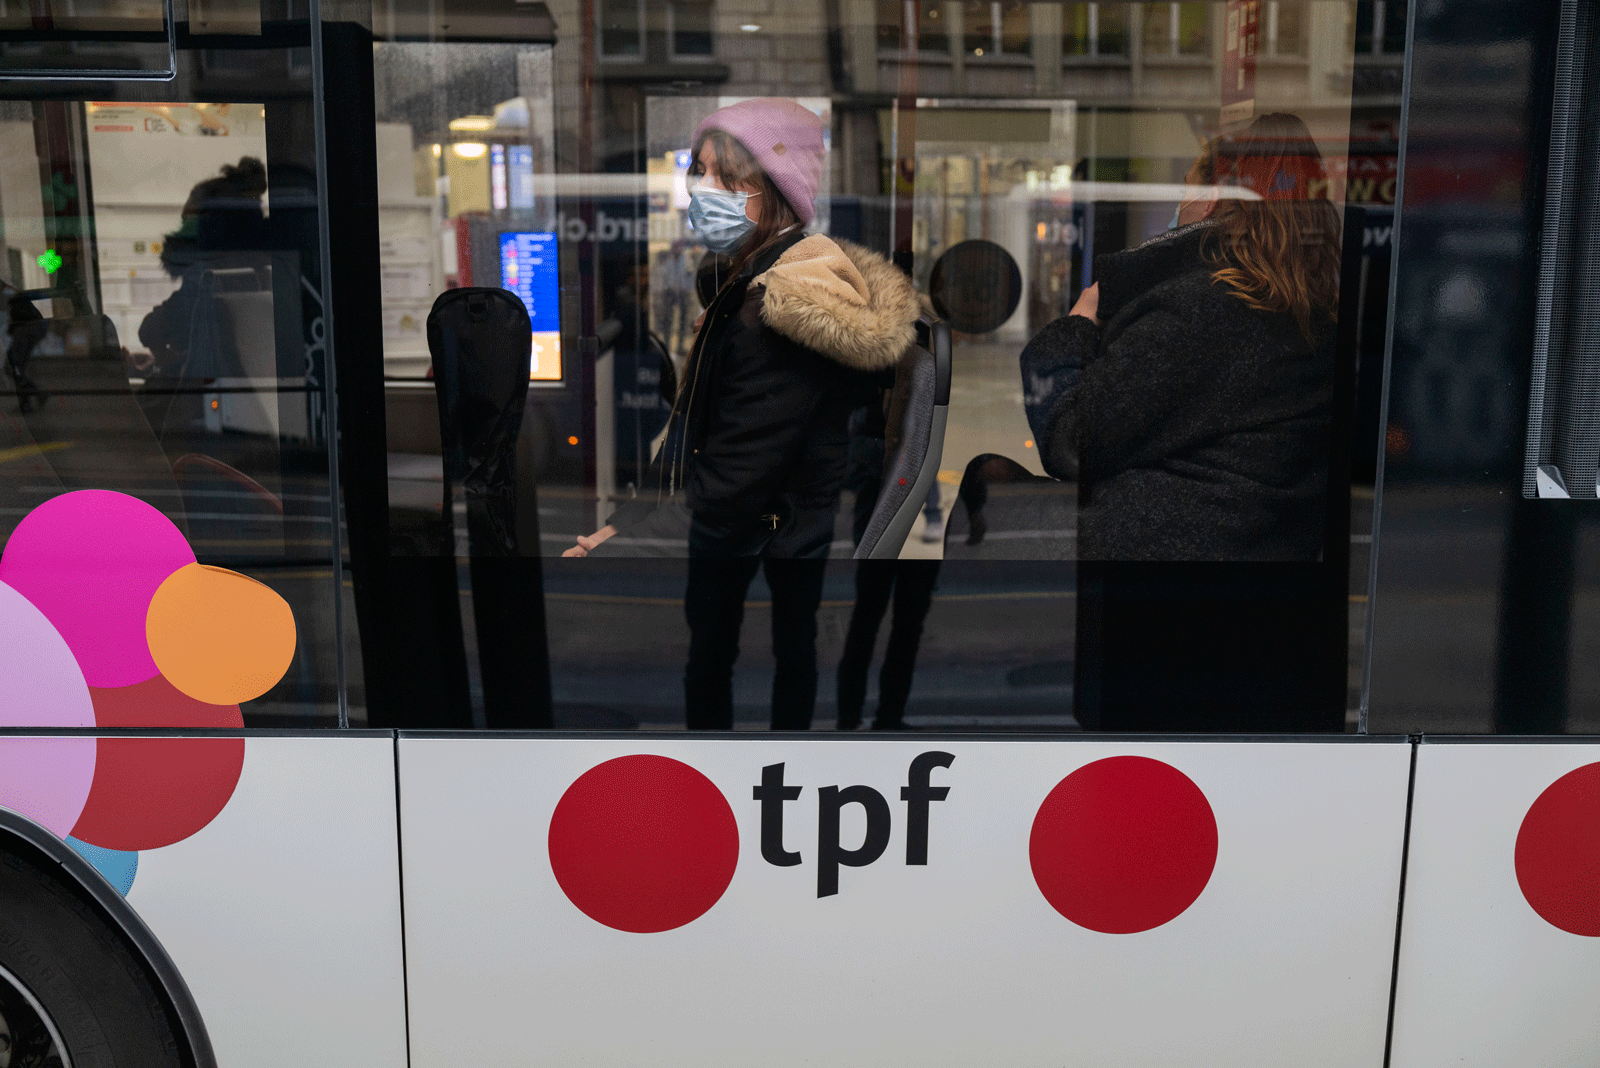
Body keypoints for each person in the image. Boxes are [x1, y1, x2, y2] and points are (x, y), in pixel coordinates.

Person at [564, 98, 920, 731]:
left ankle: (757, 773)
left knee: (725, 661)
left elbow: (737, 464)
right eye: (700, 172)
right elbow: (696, 425)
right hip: (787, 522)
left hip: (761, 525)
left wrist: (642, 536)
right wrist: (630, 517)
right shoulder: (755, 279)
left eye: (728, 180)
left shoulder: (775, 307)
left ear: (776, 194)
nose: (704, 191)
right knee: (784, 653)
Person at [1020, 112, 1341, 561]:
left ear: (1211, 199)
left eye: (1187, 187)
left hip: (1173, 553)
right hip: (1248, 545)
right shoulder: (1307, 309)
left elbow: (1076, 441)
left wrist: (1075, 329)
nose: (1180, 203)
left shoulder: (1205, 308)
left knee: (987, 489)